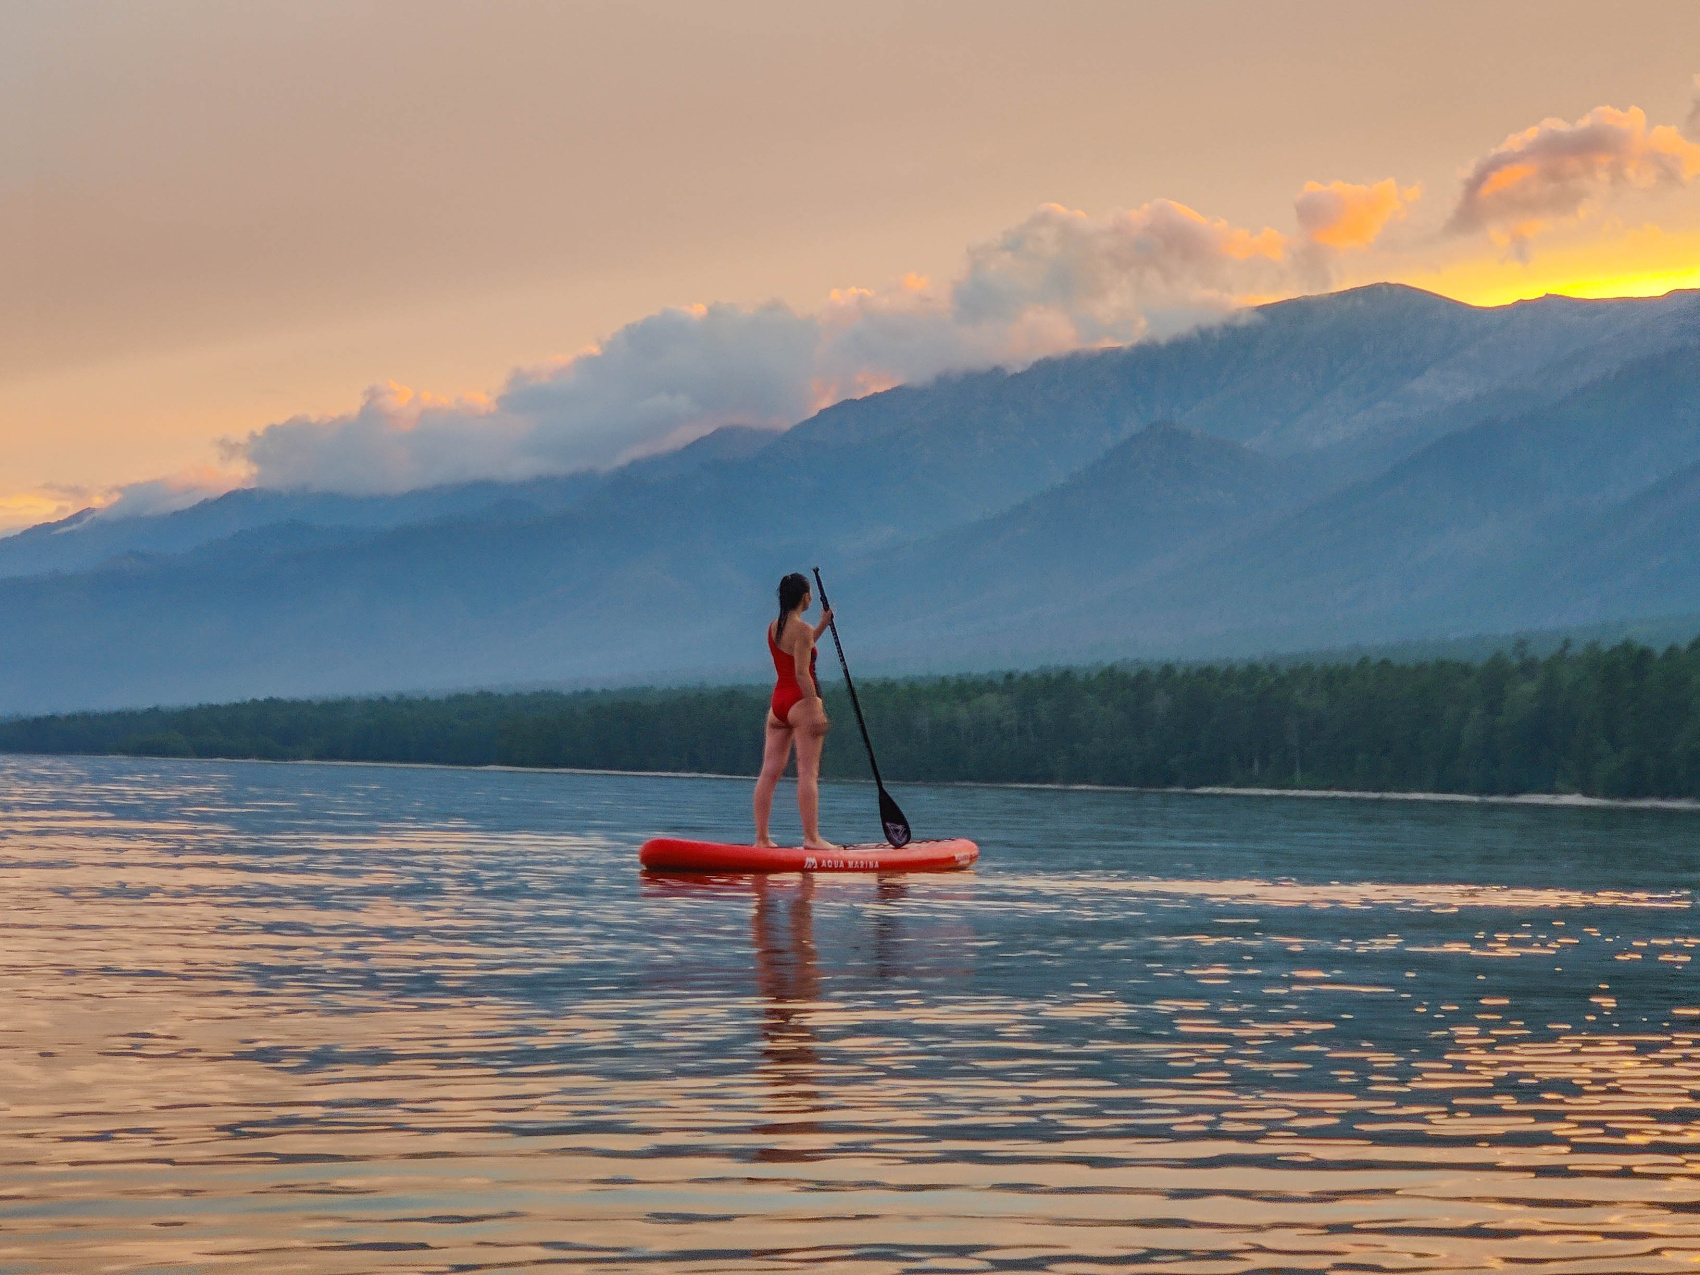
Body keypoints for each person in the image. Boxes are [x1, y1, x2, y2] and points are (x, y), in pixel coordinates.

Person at [754, 572, 836, 849]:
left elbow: (798, 647)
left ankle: (762, 839)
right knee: (807, 772)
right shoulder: (801, 630)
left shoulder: (774, 627)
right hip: (801, 702)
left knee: (769, 772)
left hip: (778, 704)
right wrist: (815, 708)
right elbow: (802, 672)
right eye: (810, 593)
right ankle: (812, 839)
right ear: (805, 597)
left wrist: (822, 626)